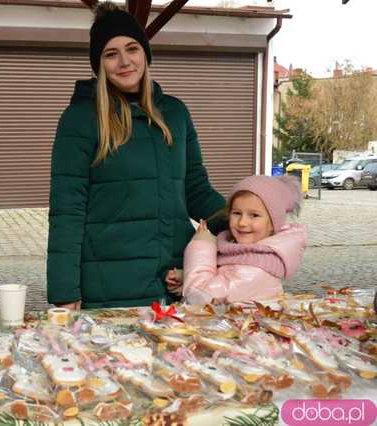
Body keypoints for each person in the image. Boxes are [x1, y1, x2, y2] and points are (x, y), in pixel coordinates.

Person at [47, 2, 225, 309]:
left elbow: (196, 191)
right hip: (109, 289)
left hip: (173, 283)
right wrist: (64, 292)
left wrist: (245, 222)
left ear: (145, 53)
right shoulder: (79, 120)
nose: (124, 61)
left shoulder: (175, 113)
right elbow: (68, 211)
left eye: (132, 49)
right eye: (111, 53)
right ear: (99, 63)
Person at [182, 175, 307, 305]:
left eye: (254, 215)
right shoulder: (249, 255)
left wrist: (202, 245)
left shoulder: (256, 269)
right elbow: (227, 277)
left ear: (273, 223)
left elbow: (198, 298)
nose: (242, 222)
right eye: (236, 213)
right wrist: (183, 277)